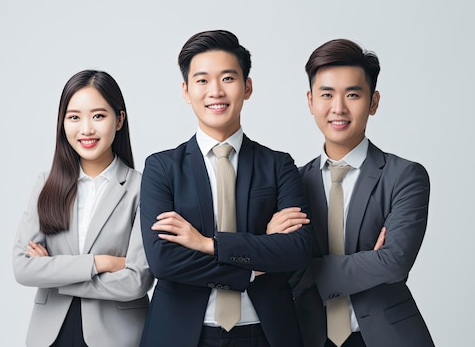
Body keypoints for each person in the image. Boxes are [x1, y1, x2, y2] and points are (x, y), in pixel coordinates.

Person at [138, 30, 314, 347]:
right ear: (186, 91)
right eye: (202, 80)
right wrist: (254, 263)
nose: (215, 91)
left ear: (247, 87)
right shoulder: (161, 168)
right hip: (180, 334)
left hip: (267, 332)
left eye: (228, 78)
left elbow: (297, 250)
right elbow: (164, 260)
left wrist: (207, 244)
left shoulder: (278, 165)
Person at [282, 39, 434, 347]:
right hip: (308, 335)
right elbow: (281, 272)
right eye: (327, 95)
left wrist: (307, 271)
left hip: (386, 337)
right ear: (311, 101)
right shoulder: (290, 182)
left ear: (373, 102)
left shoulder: (404, 176)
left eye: (353, 94)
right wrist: (370, 262)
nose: (339, 108)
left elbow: (394, 262)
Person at [12, 70, 154, 347]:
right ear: (62, 123)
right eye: (74, 117)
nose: (86, 129)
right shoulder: (46, 184)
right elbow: (23, 268)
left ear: (119, 120)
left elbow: (136, 280)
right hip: (50, 335)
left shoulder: (141, 188)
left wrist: (54, 274)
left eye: (98, 116)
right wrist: (101, 263)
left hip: (118, 336)